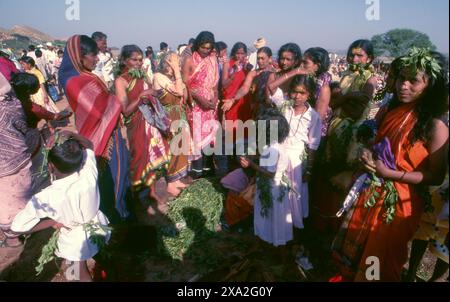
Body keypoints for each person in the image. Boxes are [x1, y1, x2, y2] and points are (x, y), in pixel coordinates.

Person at [331, 49, 449, 281]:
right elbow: (378, 144)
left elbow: (435, 176)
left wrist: (392, 174)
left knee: (383, 260)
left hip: (400, 205)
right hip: (371, 191)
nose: (402, 85)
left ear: (430, 84)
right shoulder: (392, 111)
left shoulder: (436, 127)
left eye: (413, 80)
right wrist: (367, 154)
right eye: (401, 78)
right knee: (359, 251)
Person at [11, 131, 111, 282]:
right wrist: (70, 133)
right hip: (97, 225)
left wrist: (51, 222)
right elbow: (89, 145)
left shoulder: (46, 197)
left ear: (50, 166)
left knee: (77, 274)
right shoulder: (88, 174)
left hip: (74, 239)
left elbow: (17, 228)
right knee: (95, 251)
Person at [59, 35, 129, 222]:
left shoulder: (83, 76)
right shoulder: (74, 80)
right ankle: (112, 215)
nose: (97, 59)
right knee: (110, 174)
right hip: (100, 135)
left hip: (107, 131)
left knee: (117, 172)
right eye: (93, 55)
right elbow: (97, 111)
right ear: (80, 56)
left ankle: (117, 209)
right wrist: (117, 99)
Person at [240, 108, 290, 253]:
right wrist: (255, 159)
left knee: (272, 217)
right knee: (270, 217)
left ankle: (274, 247)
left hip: (272, 189)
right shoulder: (276, 145)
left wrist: (252, 165)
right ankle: (269, 243)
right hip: (272, 189)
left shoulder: (273, 149)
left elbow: (271, 172)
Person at [0, 72, 32, 253]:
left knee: (6, 205)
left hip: (5, 165)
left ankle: (14, 239)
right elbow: (22, 126)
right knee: (19, 198)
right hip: (19, 157)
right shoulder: (13, 103)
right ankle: (27, 226)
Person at [182, 31, 219, 179]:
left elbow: (215, 85)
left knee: (210, 137)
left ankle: (208, 170)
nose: (205, 51)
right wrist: (199, 99)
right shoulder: (190, 61)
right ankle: (197, 172)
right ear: (197, 45)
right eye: (203, 47)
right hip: (196, 105)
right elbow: (185, 85)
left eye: (208, 48)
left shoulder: (213, 61)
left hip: (210, 106)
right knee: (197, 137)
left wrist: (215, 99)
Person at [153, 52, 193, 189]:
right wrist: (177, 71)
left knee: (182, 146)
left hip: (179, 115)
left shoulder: (175, 79)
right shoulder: (158, 77)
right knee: (174, 147)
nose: (175, 65)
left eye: (177, 62)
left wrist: (178, 75)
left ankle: (178, 178)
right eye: (172, 62)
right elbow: (179, 93)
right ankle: (171, 182)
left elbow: (184, 95)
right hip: (169, 117)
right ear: (165, 62)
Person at [266, 43, 303, 107]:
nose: (284, 62)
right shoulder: (273, 76)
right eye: (282, 58)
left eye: (288, 59)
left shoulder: (300, 78)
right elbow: (267, 99)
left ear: (296, 61)